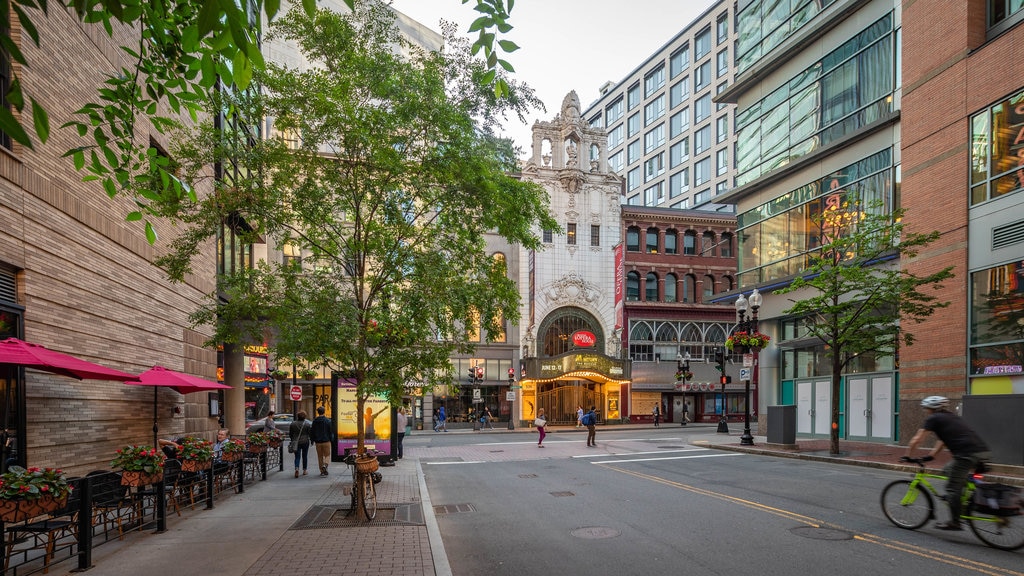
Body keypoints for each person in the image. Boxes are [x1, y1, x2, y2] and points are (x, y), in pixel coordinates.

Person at [904, 396, 992, 531]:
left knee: (952, 488)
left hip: (966, 455)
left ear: (931, 409)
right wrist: (931, 455)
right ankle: (960, 498)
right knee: (947, 469)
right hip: (982, 452)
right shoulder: (950, 417)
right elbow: (943, 440)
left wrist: (907, 455)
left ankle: (955, 522)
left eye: (926, 408)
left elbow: (918, 439)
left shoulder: (933, 418)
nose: (925, 411)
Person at [310, 406, 333, 476]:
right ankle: (325, 465)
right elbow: (330, 431)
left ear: (318, 412)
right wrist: (331, 439)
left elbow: (312, 432)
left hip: (318, 442)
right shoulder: (328, 421)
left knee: (320, 457)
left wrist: (312, 440)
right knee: (327, 455)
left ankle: (322, 471)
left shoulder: (315, 421)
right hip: (326, 441)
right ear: (324, 412)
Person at [288, 411, 312, 478]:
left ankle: (296, 468)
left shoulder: (293, 424)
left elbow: (291, 433)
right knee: (305, 456)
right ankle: (304, 470)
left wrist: (292, 439)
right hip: (305, 441)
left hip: (296, 442)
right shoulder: (307, 424)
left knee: (297, 456)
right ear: (305, 417)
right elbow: (309, 433)